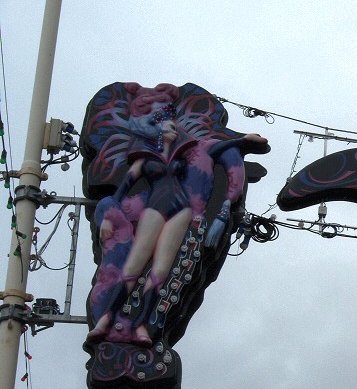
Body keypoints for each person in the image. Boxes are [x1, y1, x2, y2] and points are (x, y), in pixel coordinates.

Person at [87, 92, 267, 346]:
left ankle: (141, 325)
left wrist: (244, 139)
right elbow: (121, 190)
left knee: (160, 270)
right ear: (158, 130)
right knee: (135, 265)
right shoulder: (143, 159)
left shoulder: (184, 156)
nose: (175, 130)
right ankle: (107, 319)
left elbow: (220, 146)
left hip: (181, 210)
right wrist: (107, 217)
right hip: (155, 208)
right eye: (171, 126)